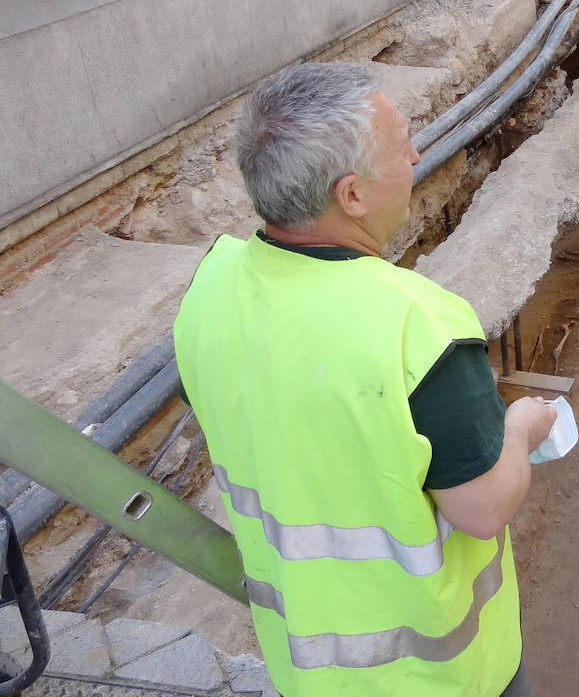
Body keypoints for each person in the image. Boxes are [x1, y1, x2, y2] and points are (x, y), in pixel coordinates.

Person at [174, 63, 557, 697]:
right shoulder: (416, 326)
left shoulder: (210, 286)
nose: (415, 153)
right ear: (351, 195)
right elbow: (483, 510)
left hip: (304, 668)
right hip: (441, 677)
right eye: (401, 143)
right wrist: (521, 428)